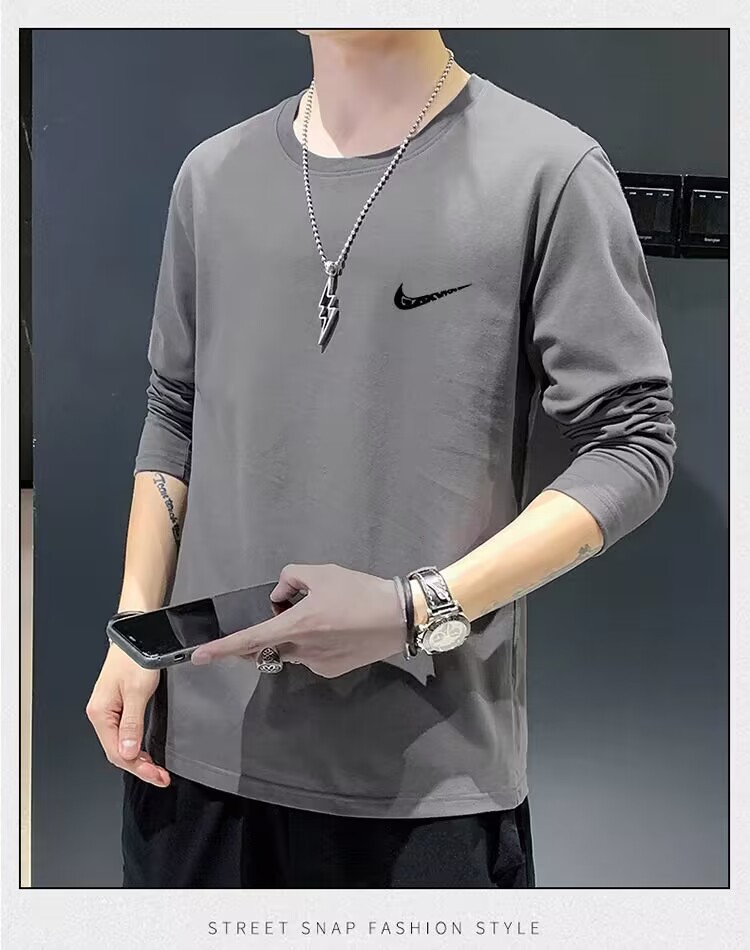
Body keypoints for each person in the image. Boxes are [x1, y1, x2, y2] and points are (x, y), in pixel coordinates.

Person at [86, 28, 676, 888]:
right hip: (195, 758)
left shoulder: (549, 170)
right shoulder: (211, 176)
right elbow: (174, 413)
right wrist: (135, 630)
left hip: (425, 774)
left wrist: (416, 608)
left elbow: (632, 443)